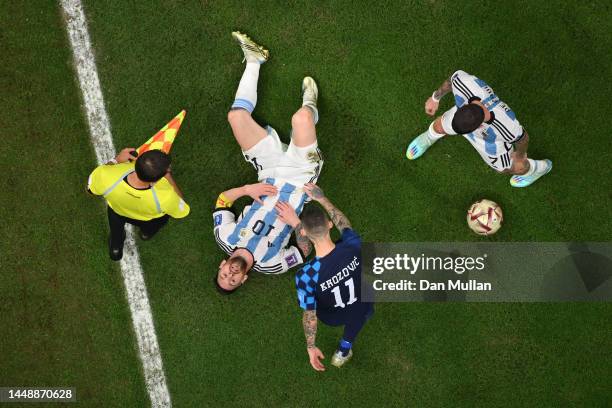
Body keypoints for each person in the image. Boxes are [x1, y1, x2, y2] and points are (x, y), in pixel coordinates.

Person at [212, 32, 323, 293]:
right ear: (244, 280)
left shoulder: (224, 238)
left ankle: (254, 59)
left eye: (224, 275)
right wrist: (296, 223)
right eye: (233, 281)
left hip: (268, 170)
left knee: (236, 117)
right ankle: (310, 102)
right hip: (299, 177)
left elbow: (222, 201)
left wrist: (246, 190)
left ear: (221, 265)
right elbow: (307, 250)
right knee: (301, 119)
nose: (231, 274)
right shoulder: (271, 264)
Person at [276, 184, 373, 370]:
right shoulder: (353, 245)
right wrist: (321, 198)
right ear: (329, 224)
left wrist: (311, 347)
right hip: (363, 301)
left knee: (350, 315)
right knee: (358, 317)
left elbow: (310, 316)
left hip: (333, 315)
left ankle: (343, 350)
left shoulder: (306, 275)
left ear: (303, 232)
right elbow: (344, 224)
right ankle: (343, 350)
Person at [406, 70, 552, 187]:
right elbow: (452, 79)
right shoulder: (466, 84)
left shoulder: (506, 126)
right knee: (440, 125)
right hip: (463, 117)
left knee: (508, 168)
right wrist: (435, 98)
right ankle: (428, 138)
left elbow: (523, 138)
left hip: (491, 142)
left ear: (479, 125)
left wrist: (520, 155)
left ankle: (538, 168)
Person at [87, 148, 189, 261]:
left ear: (138, 160)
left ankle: (115, 249)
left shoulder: (106, 175)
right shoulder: (166, 197)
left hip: (118, 212)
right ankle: (145, 234)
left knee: (116, 230)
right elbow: (181, 206)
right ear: (158, 179)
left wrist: (116, 160)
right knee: (158, 221)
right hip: (148, 220)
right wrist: (168, 176)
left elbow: (90, 190)